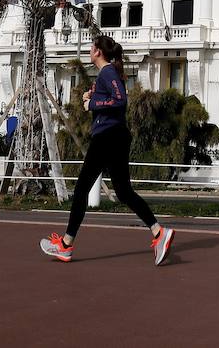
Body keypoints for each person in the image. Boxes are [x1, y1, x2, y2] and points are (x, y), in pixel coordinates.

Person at [40, 35, 175, 265]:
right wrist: (92, 95)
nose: (89, 50)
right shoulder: (106, 74)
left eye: (92, 47)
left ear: (98, 52)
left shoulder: (108, 72)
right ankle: (158, 232)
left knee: (81, 189)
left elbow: (120, 99)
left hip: (107, 137)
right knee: (123, 192)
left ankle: (65, 245)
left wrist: (92, 104)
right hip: (116, 136)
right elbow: (109, 96)